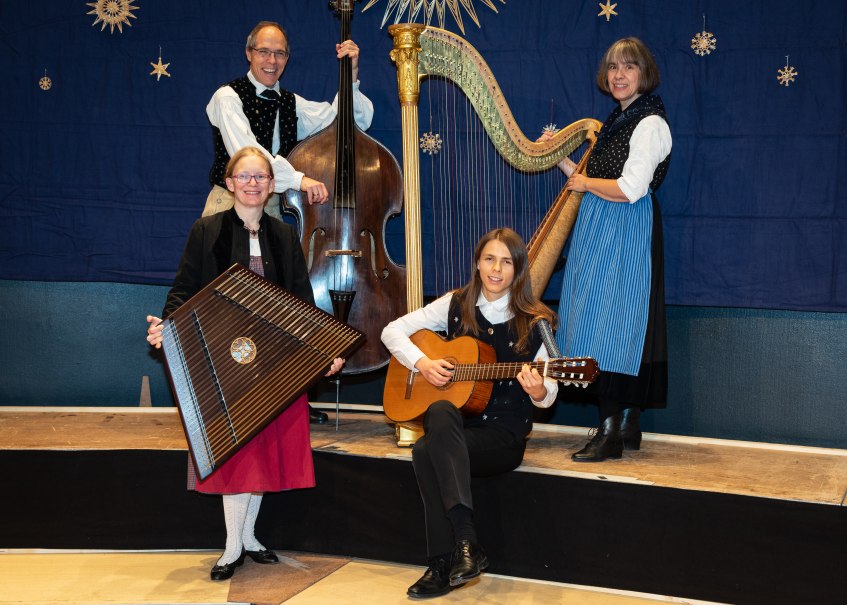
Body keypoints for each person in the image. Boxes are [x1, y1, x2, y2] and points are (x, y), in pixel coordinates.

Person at [146, 146, 344, 581]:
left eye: (261, 177)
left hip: (273, 362)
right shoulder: (206, 230)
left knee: (262, 454)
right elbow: (183, 290)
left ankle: (249, 538)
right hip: (223, 361)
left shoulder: (284, 235)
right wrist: (166, 326)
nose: (253, 184)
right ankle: (232, 546)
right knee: (237, 455)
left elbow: (300, 300)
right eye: (245, 176)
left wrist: (322, 349)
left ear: (272, 185)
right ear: (230, 183)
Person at [204, 20, 372, 423]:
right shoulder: (227, 97)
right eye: (264, 51)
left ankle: (281, 398)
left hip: (272, 210)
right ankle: (222, 398)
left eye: (279, 53)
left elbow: (346, 120)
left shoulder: (290, 102)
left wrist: (350, 74)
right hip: (230, 203)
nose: (271, 60)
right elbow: (249, 157)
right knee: (222, 302)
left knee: (276, 306)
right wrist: (299, 179)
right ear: (249, 53)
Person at [381, 228, 559, 599]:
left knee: (425, 449)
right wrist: (423, 363)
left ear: (518, 270)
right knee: (439, 414)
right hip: (458, 428)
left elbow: (550, 391)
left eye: (506, 262)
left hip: (502, 438)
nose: (496, 269)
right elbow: (392, 331)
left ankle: (443, 561)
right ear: (477, 263)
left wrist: (538, 390)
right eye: (489, 259)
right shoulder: (455, 304)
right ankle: (463, 546)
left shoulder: (536, 320)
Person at [553, 37, 672, 462]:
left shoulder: (649, 123)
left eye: (629, 67)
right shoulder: (620, 119)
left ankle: (609, 435)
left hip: (625, 228)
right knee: (602, 321)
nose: (619, 75)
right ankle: (626, 424)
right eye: (613, 68)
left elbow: (631, 187)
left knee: (610, 326)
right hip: (603, 223)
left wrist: (584, 182)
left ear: (644, 73)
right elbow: (595, 179)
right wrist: (564, 161)